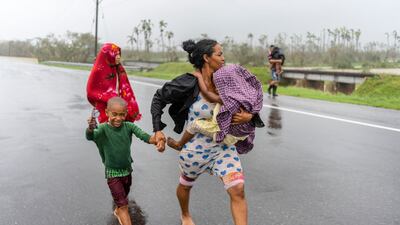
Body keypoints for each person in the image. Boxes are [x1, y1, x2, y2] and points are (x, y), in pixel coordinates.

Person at [151, 39, 261, 225]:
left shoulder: (228, 79)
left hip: (222, 147)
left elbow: (250, 100)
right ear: (206, 58)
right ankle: (185, 215)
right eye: (219, 54)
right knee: (185, 185)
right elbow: (158, 98)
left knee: (238, 189)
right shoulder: (189, 82)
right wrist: (157, 130)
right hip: (195, 147)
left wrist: (249, 117)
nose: (224, 58)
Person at [86, 96, 164, 225]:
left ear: (126, 114)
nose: (118, 118)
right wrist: (90, 128)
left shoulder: (128, 126)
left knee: (125, 194)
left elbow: (145, 137)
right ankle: (121, 210)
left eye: (122, 114)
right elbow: (90, 136)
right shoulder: (103, 129)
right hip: (112, 173)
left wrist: (158, 140)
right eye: (114, 114)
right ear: (107, 113)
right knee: (123, 206)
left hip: (127, 170)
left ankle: (118, 209)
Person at [167, 64, 264, 153]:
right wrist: (251, 116)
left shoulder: (229, 100)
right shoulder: (247, 95)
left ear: (228, 85)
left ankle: (179, 144)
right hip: (244, 132)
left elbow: (209, 95)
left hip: (229, 134)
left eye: (219, 86)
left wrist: (200, 77)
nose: (217, 89)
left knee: (194, 125)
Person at [87, 43, 141, 123]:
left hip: (120, 107)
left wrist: (120, 101)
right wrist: (112, 98)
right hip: (105, 107)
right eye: (115, 54)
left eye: (119, 54)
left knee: (122, 130)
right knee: (108, 131)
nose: (118, 57)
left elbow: (123, 87)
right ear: (108, 55)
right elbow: (91, 91)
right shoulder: (98, 71)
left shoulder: (118, 68)